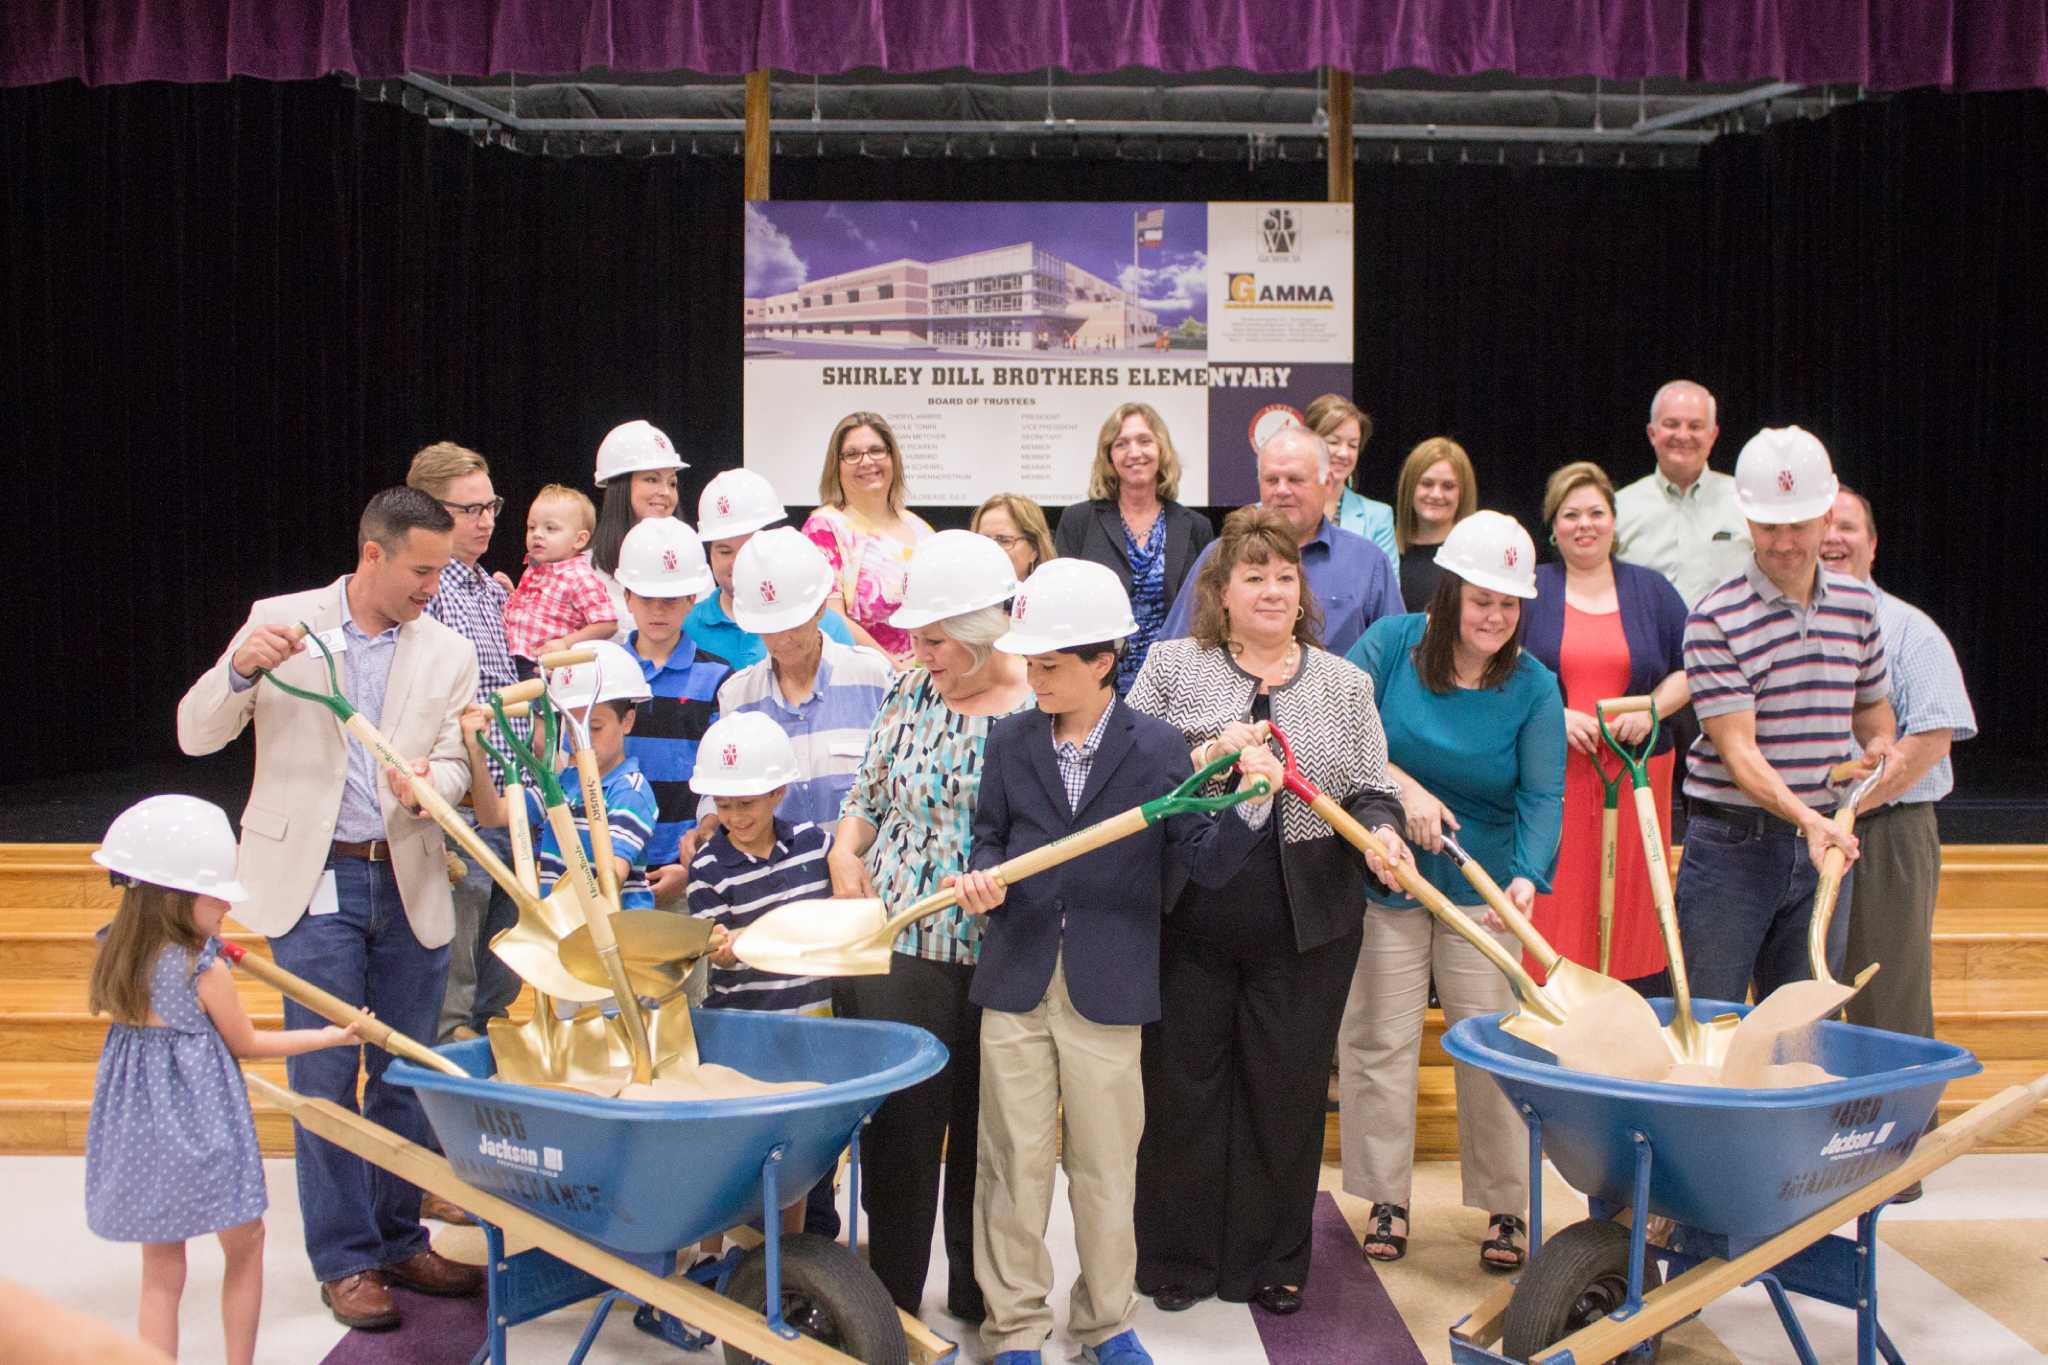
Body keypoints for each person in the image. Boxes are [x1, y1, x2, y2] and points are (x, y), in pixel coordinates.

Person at [951, 559, 1274, 1365]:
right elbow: (990, 836)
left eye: (1051, 665)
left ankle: (1104, 1322)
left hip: (1111, 983)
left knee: (1104, 1171)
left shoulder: (1160, 748)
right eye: (1029, 664)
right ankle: (1015, 1327)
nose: (1035, 679)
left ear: (1104, 662)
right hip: (1016, 978)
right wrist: (982, 875)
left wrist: (1254, 801)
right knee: (1012, 1165)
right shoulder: (1010, 738)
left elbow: (1202, 857)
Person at [176, 486, 485, 1327]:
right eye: (422, 568)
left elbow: (458, 761)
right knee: (322, 1071)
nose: (435, 583)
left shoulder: (450, 648)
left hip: (410, 875)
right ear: (373, 554)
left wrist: (433, 788)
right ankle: (345, 1259)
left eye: (443, 568)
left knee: (405, 1072)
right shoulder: (281, 622)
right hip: (313, 879)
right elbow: (195, 733)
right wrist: (240, 667)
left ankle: (396, 1239)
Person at [1129, 507, 1410, 1317]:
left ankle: (1271, 1258)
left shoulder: (1344, 681)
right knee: (1183, 1089)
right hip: (1188, 916)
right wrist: (1213, 751)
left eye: (1286, 575)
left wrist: (1385, 833)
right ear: (1219, 591)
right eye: (1254, 574)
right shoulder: (1176, 665)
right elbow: (1138, 766)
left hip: (1310, 923)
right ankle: (1177, 1255)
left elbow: (1372, 787)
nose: (1273, 588)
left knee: (1283, 1092)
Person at [1340, 510, 1565, 1273]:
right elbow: (1340, 728)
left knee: (1491, 1046)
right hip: (1391, 874)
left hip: (1482, 887)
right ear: (1448, 595)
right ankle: (1385, 1195)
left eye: (1509, 605)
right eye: (1482, 601)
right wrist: (1404, 790)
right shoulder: (1390, 646)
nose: (1496, 617)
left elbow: (1543, 795)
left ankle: (1507, 1205)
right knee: (1379, 1040)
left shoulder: (1534, 686)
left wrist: (1527, 879)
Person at [827, 531, 1031, 1324]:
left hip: (1001, 947)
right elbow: (867, 796)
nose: (920, 650)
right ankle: (894, 1301)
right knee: (903, 1133)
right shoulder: (909, 689)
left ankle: (977, 1291)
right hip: (905, 942)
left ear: (983, 632)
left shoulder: (1032, 704)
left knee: (988, 1131)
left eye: (936, 638)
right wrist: (847, 856)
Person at [85, 796, 362, 1363]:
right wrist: (334, 1036)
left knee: (161, 1270)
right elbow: (250, 1045)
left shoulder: (115, 950)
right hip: (202, 1130)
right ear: (178, 896)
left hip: (140, 1132)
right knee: (248, 1243)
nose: (225, 911)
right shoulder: (201, 967)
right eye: (217, 898)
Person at [1676, 428, 1894, 1004]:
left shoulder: (1858, 606)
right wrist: (1811, 821)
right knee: (1712, 1026)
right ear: (1747, 521)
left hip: (1821, 839)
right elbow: (1739, 752)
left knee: (1802, 1034)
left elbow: (1873, 706)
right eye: (1769, 526)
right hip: (1732, 847)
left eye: (1798, 524)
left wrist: (1878, 747)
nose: (1784, 542)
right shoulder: (1713, 618)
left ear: (1828, 513)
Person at [1522, 462, 1690, 992]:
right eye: (1571, 515)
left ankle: (1632, 1010)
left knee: (1634, 900)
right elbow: (1503, 671)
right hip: (1558, 774)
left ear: (1615, 522)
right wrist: (1554, 715)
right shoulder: (1531, 590)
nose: (1585, 525)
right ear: (1553, 526)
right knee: (1560, 900)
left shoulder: (1653, 590)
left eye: (1596, 512)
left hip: (1638, 775)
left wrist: (1653, 710)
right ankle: (1557, 1005)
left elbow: (1693, 669)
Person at [1822, 487, 1976, 1043]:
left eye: (1849, 527)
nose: (1834, 538)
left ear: (1873, 544)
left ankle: (1906, 1132)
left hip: (1885, 835)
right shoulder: (1784, 628)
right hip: (1800, 832)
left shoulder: (1910, 630)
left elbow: (1934, 736)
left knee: (1888, 999)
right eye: (1824, 525)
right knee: (1802, 997)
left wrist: (1851, 809)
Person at [407, 442, 524, 1053]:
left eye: (491, 506)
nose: (485, 520)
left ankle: (485, 1059)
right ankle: (451, 1065)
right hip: (460, 793)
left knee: (502, 949)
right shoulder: (423, 592)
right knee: (460, 942)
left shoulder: (488, 588)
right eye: (469, 509)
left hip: (511, 796)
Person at [1159, 425, 1401, 657]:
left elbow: (1396, 659)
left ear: (1327, 483)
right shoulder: (1220, 555)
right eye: (1272, 480)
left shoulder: (1368, 563)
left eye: (1295, 480)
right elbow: (1175, 648)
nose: (1282, 490)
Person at [718, 527, 894, 831]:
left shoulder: (874, 678)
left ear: (821, 608)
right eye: (770, 626)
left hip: (867, 873)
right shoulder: (737, 698)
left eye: (793, 624)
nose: (783, 638)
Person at [463, 640, 659, 909]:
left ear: (627, 721)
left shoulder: (630, 791)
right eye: (572, 725)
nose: (582, 738)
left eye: (596, 727)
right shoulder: (563, 783)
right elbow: (492, 815)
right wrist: (477, 756)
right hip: (564, 928)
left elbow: (612, 876)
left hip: (617, 931)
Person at [1051, 403, 1216, 691]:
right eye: (1121, 443)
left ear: (1161, 449)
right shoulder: (1078, 521)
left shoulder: (1195, 527)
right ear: (1109, 456)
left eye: (1144, 441)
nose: (1134, 452)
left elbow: (1207, 615)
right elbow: (1062, 607)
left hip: (1175, 685)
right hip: (1096, 684)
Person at [611, 517, 732, 902]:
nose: (658, 610)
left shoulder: (717, 677)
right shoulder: (605, 671)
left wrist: (694, 859)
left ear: (692, 599)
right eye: (646, 598)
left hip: (684, 867)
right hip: (609, 861)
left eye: (671, 599)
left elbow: (719, 779)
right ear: (627, 596)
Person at [685, 466, 864, 669]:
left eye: (748, 548)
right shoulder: (687, 627)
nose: (738, 563)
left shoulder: (824, 625)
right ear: (709, 553)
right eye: (725, 552)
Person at [804, 411, 934, 664]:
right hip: (863, 678)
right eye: (852, 454)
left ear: (892, 457)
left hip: (929, 679)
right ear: (836, 466)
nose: (866, 462)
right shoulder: (824, 528)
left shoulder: (921, 530)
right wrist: (895, 670)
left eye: (876, 450)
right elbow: (831, 619)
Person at [1613, 380, 1752, 608]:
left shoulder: (1746, 502)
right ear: (1652, 433)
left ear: (1713, 434)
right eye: (1672, 424)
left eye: (1695, 426)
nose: (1683, 435)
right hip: (1647, 642)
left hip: (1729, 642)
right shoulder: (1619, 508)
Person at [502, 484, 619, 675]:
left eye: (550, 528)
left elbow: (607, 623)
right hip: (513, 660)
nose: (537, 534)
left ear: (579, 540)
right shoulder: (535, 568)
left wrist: (566, 643)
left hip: (544, 667)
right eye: (532, 527)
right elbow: (538, 612)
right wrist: (511, 594)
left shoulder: (579, 577)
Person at [589, 418, 688, 632]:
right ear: (620, 487)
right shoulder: (584, 571)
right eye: (652, 479)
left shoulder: (690, 558)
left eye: (672, 483)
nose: (666, 492)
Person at [1306, 393, 1396, 565]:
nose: (1344, 453)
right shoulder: (1269, 511)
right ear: (1308, 441)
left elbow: (1387, 587)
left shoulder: (1378, 517)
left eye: (1352, 445)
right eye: (1333, 442)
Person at [1391, 437, 1478, 611]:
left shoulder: (1476, 559)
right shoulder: (1386, 553)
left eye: (1448, 486)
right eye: (1426, 483)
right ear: (1410, 487)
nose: (1436, 494)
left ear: (1463, 493)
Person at [972, 492, 1056, 582]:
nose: (991, 550)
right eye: (983, 540)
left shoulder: (1052, 594)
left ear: (1035, 549)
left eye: (1003, 540)